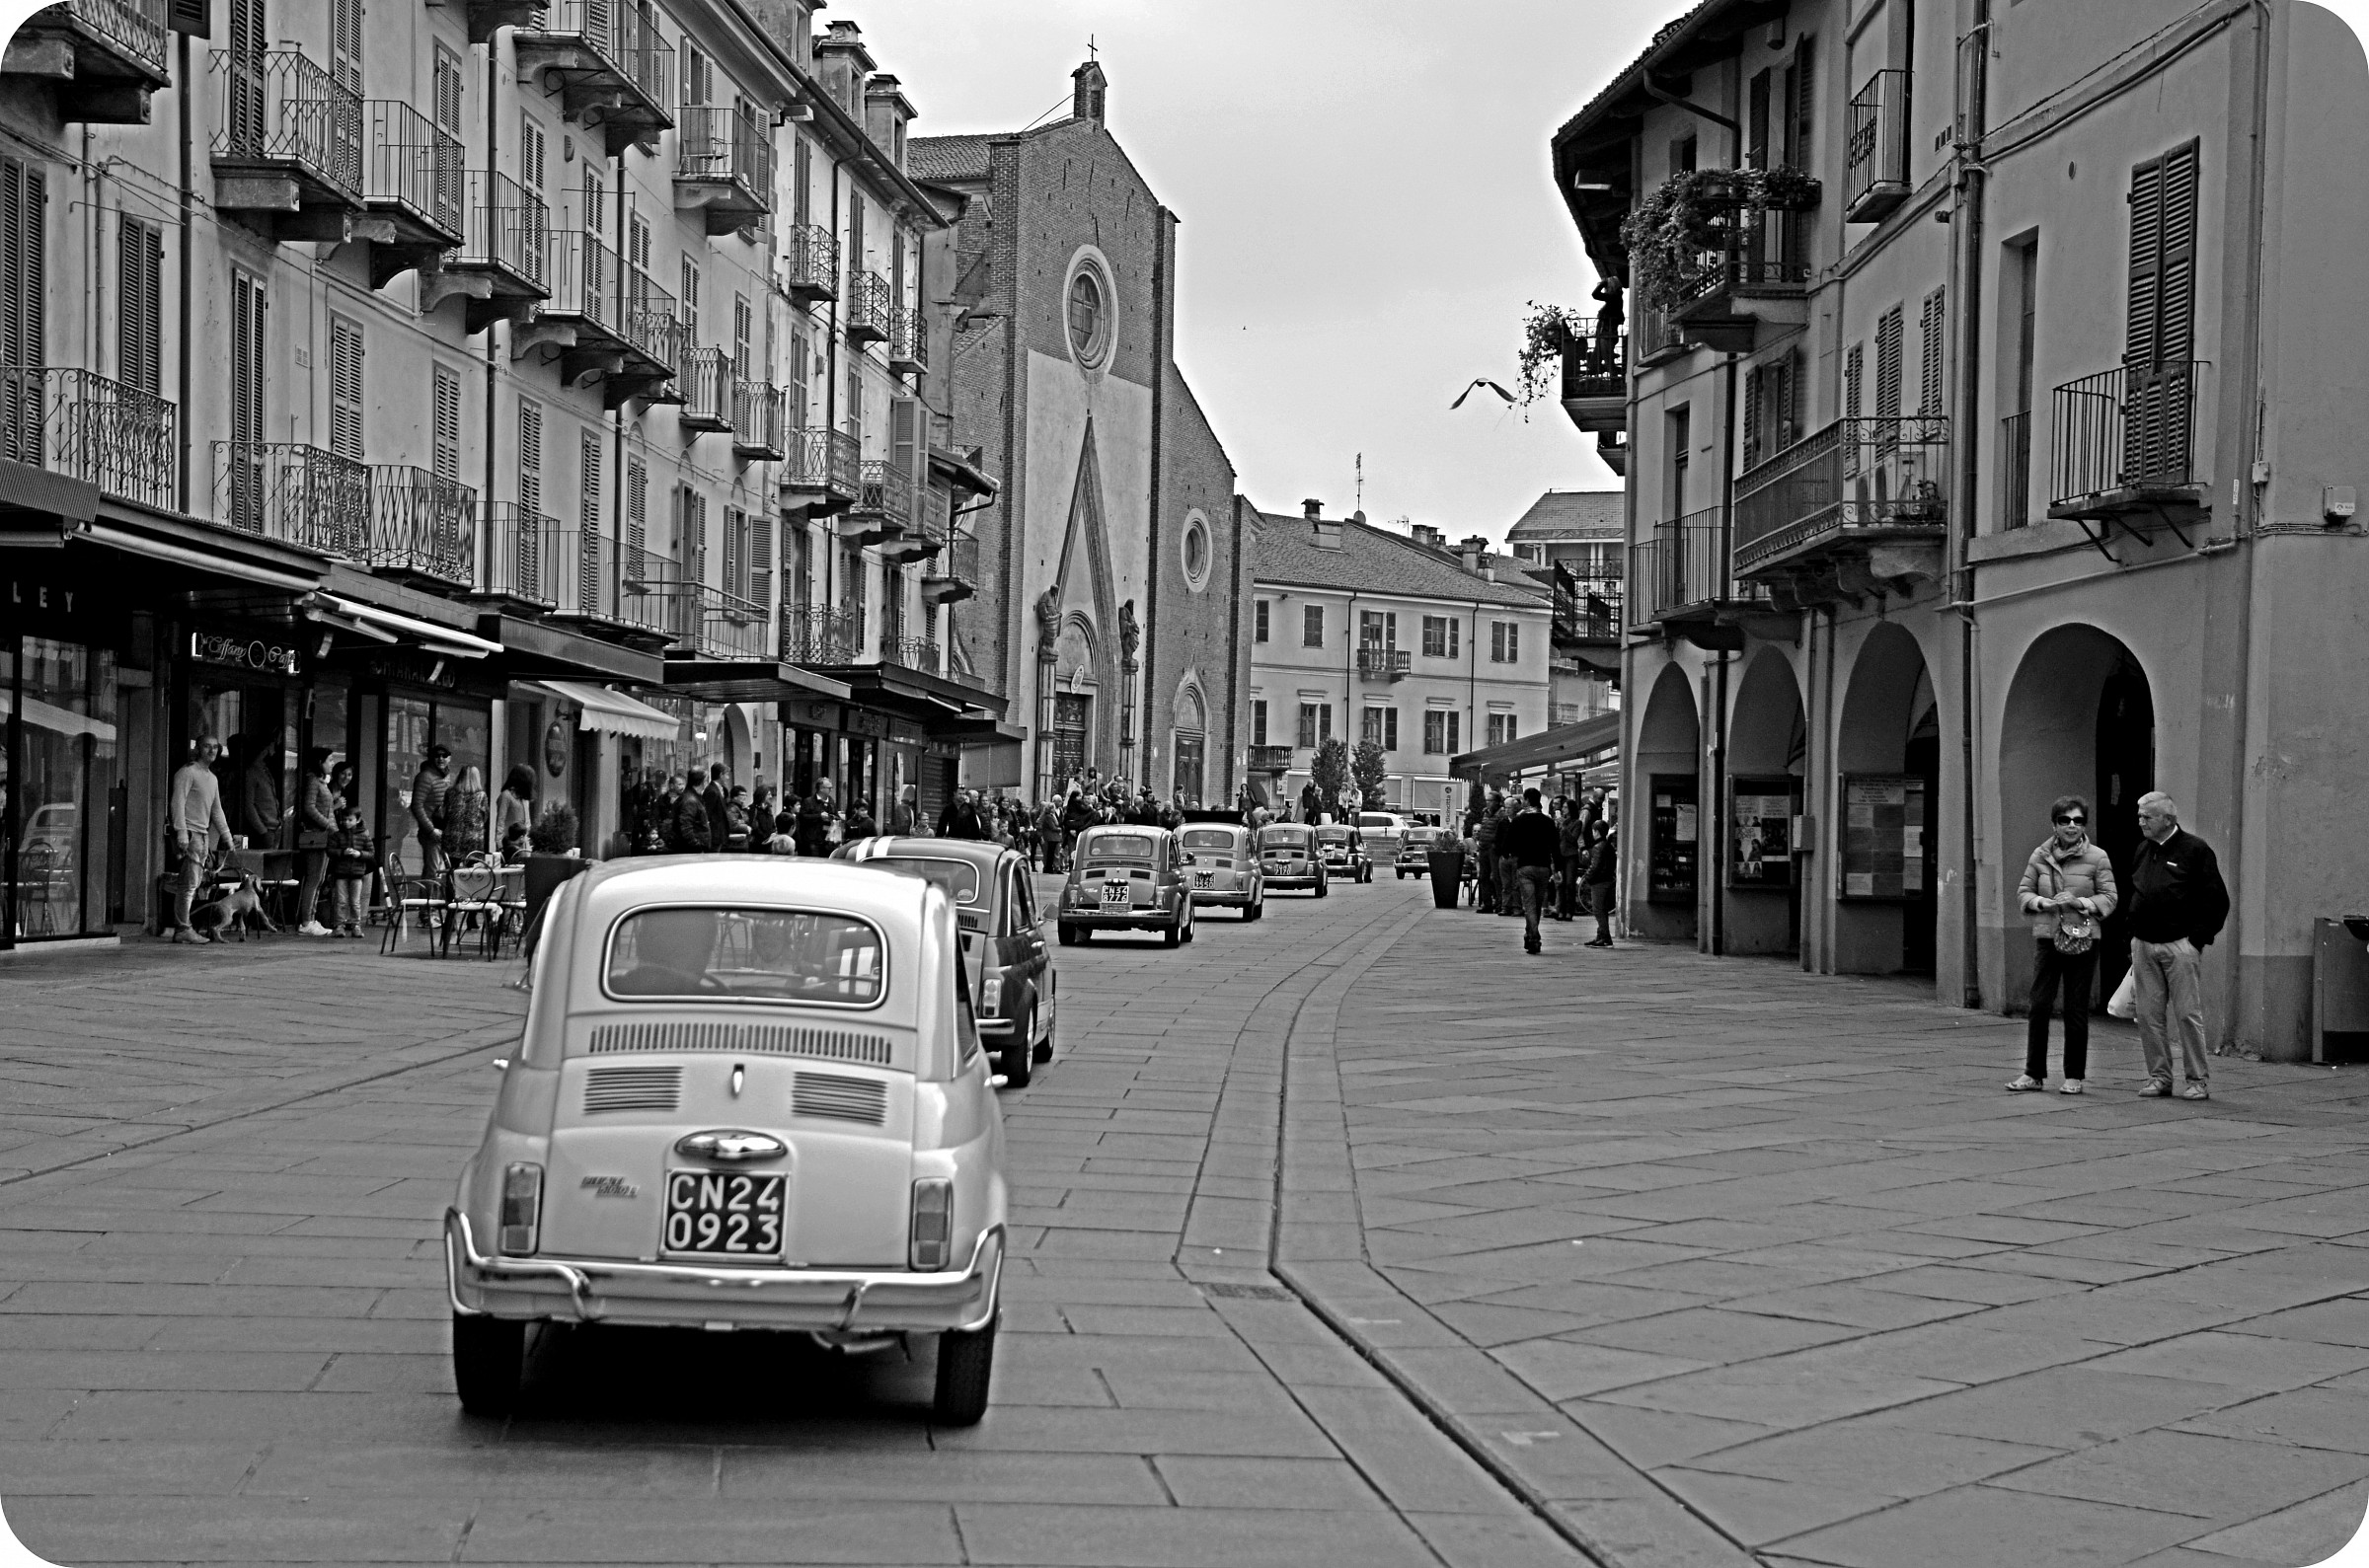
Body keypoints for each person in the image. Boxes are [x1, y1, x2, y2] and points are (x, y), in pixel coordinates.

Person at [2009, 794, 2119, 1094]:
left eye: (2078, 820)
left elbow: (2110, 898)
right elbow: (2023, 893)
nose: (2072, 826)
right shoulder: (2040, 855)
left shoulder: (2098, 857)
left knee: (2075, 1007)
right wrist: (2042, 902)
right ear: (2054, 824)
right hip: (2048, 936)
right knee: (2040, 1004)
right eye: (2065, 820)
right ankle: (2033, 1073)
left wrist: (2080, 901)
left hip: (2083, 939)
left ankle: (2074, 1076)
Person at [2126, 792, 2231, 1100]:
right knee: (2148, 1015)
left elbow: (2216, 900)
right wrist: (2132, 934)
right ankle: (2159, 1078)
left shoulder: (2195, 850)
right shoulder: (2143, 850)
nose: (2141, 821)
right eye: (2140, 816)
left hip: (2179, 945)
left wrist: (2197, 940)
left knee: (2187, 1014)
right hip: (2144, 944)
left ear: (2168, 820)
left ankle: (2197, 1080)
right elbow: (2135, 890)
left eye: (2148, 816)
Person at [168, 736, 234, 944]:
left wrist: (227, 837)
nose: (211, 751)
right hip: (191, 834)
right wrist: (181, 831)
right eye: (207, 746)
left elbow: (217, 810)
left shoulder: (211, 778)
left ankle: (185, 926)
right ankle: (183, 928)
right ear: (198, 749)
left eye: (215, 747)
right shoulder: (187, 772)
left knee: (194, 883)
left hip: (203, 835)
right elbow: (177, 803)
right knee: (188, 885)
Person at [1500, 788, 1562, 956]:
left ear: (1527, 801)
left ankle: (1533, 936)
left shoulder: (1519, 821)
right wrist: (1558, 868)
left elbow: (1507, 846)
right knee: (1537, 902)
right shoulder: (1548, 822)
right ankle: (1530, 934)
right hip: (1543, 867)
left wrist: (1510, 854)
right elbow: (1555, 846)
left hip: (1525, 866)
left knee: (1529, 905)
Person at [293, 748, 338, 936]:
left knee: (318, 879)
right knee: (314, 879)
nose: (332, 763)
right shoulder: (313, 781)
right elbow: (309, 808)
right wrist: (328, 825)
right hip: (316, 836)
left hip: (325, 835)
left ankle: (310, 918)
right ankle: (306, 921)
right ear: (320, 762)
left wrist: (334, 830)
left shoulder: (321, 782)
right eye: (329, 760)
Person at [326, 805, 375, 938]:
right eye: (345, 820)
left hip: (357, 873)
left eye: (350, 820)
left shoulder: (364, 835)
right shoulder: (338, 835)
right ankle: (340, 925)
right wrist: (342, 852)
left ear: (357, 820)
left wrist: (359, 854)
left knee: (355, 901)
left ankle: (356, 925)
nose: (347, 822)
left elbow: (371, 853)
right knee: (341, 900)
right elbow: (329, 850)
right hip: (341, 872)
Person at [410, 745, 454, 878]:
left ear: (449, 758)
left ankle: (434, 898)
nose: (440, 759)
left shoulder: (444, 776)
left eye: (444, 756)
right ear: (431, 759)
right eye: (437, 756)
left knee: (440, 872)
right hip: (431, 832)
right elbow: (416, 805)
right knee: (432, 872)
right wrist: (430, 829)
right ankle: (428, 899)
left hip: (442, 830)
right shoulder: (425, 777)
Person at [1582, 821, 1618, 946]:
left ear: (1596, 832)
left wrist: (1588, 876)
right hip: (1607, 879)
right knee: (1602, 910)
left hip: (1599, 881)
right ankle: (1601, 935)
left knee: (1598, 910)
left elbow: (1595, 866)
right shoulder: (1608, 846)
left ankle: (1604, 936)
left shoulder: (1598, 847)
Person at [442, 766, 489, 861]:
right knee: (472, 871)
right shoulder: (481, 796)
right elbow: (485, 817)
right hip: (473, 839)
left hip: (452, 837)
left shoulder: (450, 792)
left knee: (452, 870)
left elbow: (445, 813)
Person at [1556, 797, 1585, 921]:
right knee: (1561, 884)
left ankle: (1569, 911)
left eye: (1565, 807)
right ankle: (1560, 911)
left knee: (1569, 883)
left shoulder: (1577, 823)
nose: (1563, 809)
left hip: (1571, 855)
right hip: (1561, 854)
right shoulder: (1562, 822)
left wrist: (1563, 826)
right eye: (1562, 807)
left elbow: (1573, 839)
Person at [1471, 794, 1501, 914]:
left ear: (1497, 802)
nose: (1488, 803)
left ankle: (1499, 903)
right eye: (1487, 800)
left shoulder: (1500, 814)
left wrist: (1495, 845)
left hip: (1493, 849)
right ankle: (1487, 903)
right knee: (1483, 876)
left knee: (1496, 877)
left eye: (1490, 800)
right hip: (1483, 848)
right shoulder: (1485, 813)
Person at [496, 766, 535, 857]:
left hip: (523, 842)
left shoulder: (525, 798)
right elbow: (500, 821)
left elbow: (527, 821)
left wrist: (528, 840)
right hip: (510, 842)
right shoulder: (506, 795)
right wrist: (499, 844)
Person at [702, 764, 731, 854]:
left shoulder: (721, 790)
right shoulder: (712, 791)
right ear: (720, 775)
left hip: (719, 834)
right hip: (714, 834)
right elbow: (707, 813)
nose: (728, 777)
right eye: (726, 774)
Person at [725, 785, 754, 852]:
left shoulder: (741, 808)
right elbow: (733, 825)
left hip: (741, 842)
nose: (745, 797)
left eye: (746, 795)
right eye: (742, 795)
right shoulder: (731, 808)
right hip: (735, 844)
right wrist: (746, 828)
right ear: (735, 796)